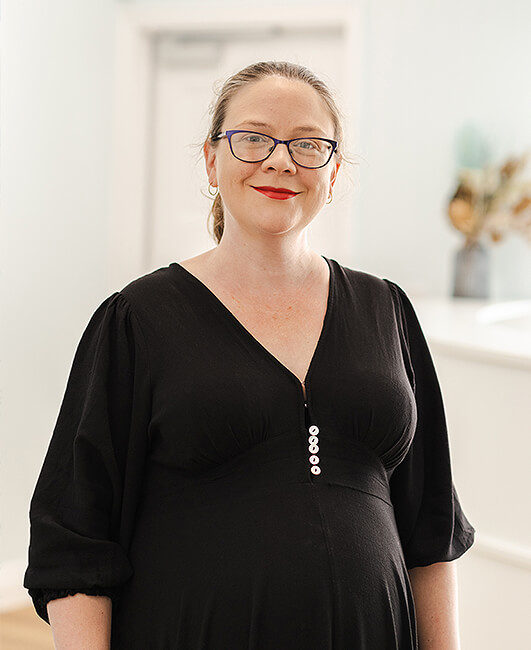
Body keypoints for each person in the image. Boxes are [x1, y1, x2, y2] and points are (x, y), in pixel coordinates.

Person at [24, 61, 474, 649]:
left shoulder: (385, 309)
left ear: (333, 172)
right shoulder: (138, 320)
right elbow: (75, 539)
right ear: (212, 160)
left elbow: (429, 528)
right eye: (254, 138)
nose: (281, 160)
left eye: (308, 144)